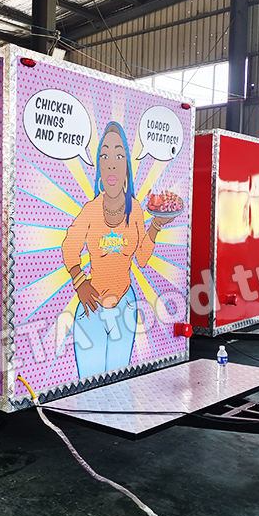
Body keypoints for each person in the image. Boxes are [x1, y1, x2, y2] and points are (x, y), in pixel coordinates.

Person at [61, 122, 173, 378]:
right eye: (105, 156)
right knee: (87, 382)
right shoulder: (91, 210)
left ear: (127, 168)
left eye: (119, 156)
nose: (111, 163)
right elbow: (69, 246)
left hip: (125, 306)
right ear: (99, 167)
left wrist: (156, 225)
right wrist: (80, 282)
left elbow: (142, 258)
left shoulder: (135, 210)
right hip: (91, 308)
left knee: (119, 380)